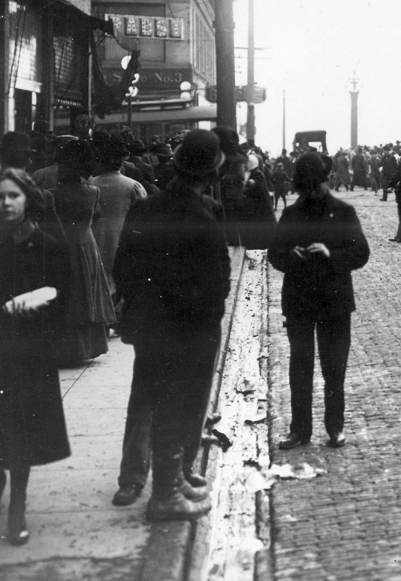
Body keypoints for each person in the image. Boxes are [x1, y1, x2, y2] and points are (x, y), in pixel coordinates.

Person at [112, 129, 232, 521]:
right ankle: (165, 495)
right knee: (176, 409)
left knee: (155, 400)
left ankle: (171, 481)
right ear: (213, 169)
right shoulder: (203, 215)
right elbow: (217, 282)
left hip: (150, 326)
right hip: (190, 331)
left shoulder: (147, 208)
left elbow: (123, 269)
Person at [0, 169, 73, 546]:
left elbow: (64, 299)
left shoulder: (49, 245)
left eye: (13, 196)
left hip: (30, 353)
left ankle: (17, 505)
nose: (6, 203)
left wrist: (37, 312)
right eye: (0, 196)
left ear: (27, 199)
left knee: (22, 432)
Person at [267, 152, 370, 450]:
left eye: (317, 186)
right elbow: (275, 254)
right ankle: (299, 430)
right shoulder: (290, 215)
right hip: (299, 301)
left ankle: (334, 428)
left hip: (334, 301)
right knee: (300, 367)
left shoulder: (344, 212)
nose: (312, 192)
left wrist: (330, 254)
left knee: (334, 368)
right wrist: (291, 256)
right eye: (307, 188)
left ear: (327, 181)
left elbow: (361, 253)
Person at [50, 140, 115, 366]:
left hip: (60, 245)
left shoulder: (52, 194)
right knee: (88, 295)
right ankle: (89, 346)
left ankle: (65, 347)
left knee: (67, 296)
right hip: (87, 245)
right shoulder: (92, 192)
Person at [89, 133, 147, 307]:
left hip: (93, 237)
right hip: (122, 238)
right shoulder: (133, 185)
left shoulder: (91, 183)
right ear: (121, 162)